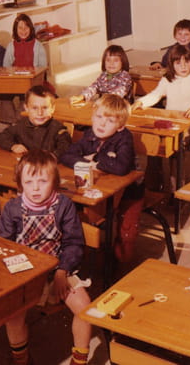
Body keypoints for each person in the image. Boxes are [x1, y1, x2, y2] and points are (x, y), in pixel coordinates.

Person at [0, 150, 91, 365]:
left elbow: (74, 243)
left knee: (85, 308)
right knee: (12, 315)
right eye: (29, 182)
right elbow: (5, 245)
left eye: (43, 181)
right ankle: (21, 359)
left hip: (59, 267)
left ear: (55, 182)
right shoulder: (12, 208)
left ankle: (79, 360)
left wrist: (62, 272)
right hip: (25, 271)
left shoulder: (64, 205)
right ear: (20, 184)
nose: (35, 188)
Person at [59, 94, 140, 261]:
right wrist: (89, 163)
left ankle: (121, 266)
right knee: (79, 218)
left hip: (129, 193)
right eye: (99, 117)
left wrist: (95, 158)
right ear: (92, 116)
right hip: (100, 189)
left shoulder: (124, 137)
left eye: (110, 121)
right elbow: (66, 156)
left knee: (127, 233)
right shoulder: (90, 134)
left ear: (120, 126)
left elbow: (121, 167)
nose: (102, 124)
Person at [132, 44, 190, 119]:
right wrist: (141, 102)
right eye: (178, 63)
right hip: (171, 117)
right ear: (172, 65)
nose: (183, 66)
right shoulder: (167, 79)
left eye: (187, 62)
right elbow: (156, 95)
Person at [0, 85, 71, 157]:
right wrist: (13, 146)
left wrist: (50, 158)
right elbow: (0, 137)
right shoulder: (21, 125)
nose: (40, 113)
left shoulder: (58, 129)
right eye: (34, 108)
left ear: (52, 109)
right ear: (26, 108)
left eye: (45, 108)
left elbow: (65, 148)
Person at [0, 14, 48, 123]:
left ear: (31, 29)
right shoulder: (11, 45)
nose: (23, 31)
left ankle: (20, 120)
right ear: (15, 29)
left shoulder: (38, 45)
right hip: (15, 80)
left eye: (26, 27)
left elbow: (42, 68)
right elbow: (6, 66)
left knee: (25, 98)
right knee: (4, 96)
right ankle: (9, 121)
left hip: (32, 81)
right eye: (20, 28)